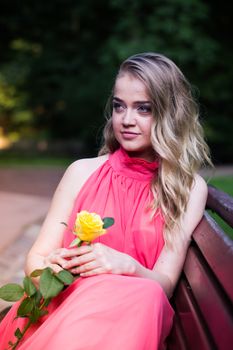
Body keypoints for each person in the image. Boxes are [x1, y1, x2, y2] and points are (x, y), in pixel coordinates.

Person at [0, 52, 211, 350]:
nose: (126, 120)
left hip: (129, 314)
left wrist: (126, 266)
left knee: (147, 293)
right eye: (118, 106)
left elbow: (164, 283)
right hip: (64, 305)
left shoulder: (187, 189)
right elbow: (35, 260)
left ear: (169, 113)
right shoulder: (81, 172)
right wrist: (50, 268)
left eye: (143, 109)